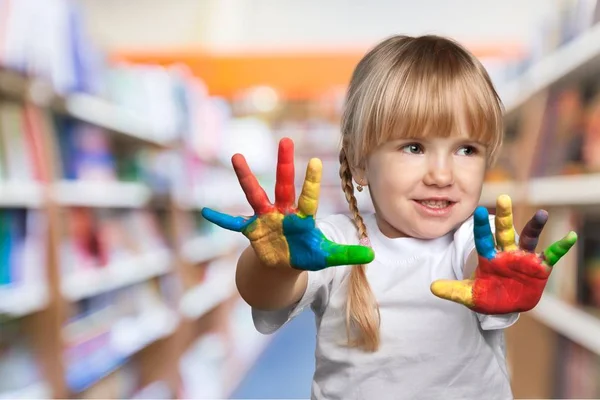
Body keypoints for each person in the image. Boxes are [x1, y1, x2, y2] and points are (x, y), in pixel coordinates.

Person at [202, 35, 577, 400]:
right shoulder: (337, 243)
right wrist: (275, 266)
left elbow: (477, 267)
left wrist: (496, 277)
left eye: (466, 149)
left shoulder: (475, 242)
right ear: (361, 161)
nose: (442, 175)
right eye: (414, 147)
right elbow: (264, 295)